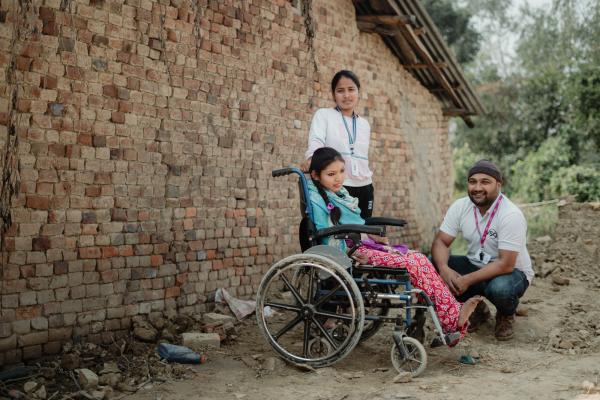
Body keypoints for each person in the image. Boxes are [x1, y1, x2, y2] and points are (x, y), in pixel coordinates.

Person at [308, 147, 482, 345]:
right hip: (348, 251)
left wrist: (371, 235)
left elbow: (354, 224)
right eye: (331, 174)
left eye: (341, 171)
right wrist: (368, 235)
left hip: (360, 244)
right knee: (412, 265)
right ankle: (452, 318)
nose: (338, 178)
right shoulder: (317, 199)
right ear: (316, 175)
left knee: (420, 258)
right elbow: (326, 231)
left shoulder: (340, 195)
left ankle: (453, 314)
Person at [431, 160, 534, 341]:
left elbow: (506, 264)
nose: (477, 187)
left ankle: (505, 313)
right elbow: (441, 242)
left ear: (498, 185)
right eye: (473, 181)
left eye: (485, 182)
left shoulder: (510, 214)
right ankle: (478, 310)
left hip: (511, 274)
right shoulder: (460, 206)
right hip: (476, 265)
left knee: (500, 289)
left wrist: (466, 280)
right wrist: (444, 269)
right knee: (430, 265)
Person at [301, 70, 374, 219]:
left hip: (365, 186)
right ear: (334, 94)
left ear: (358, 92)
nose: (346, 95)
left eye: (351, 89)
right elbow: (316, 141)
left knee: (365, 232)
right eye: (340, 91)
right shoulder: (324, 115)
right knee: (342, 235)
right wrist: (311, 159)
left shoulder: (364, 124)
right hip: (338, 185)